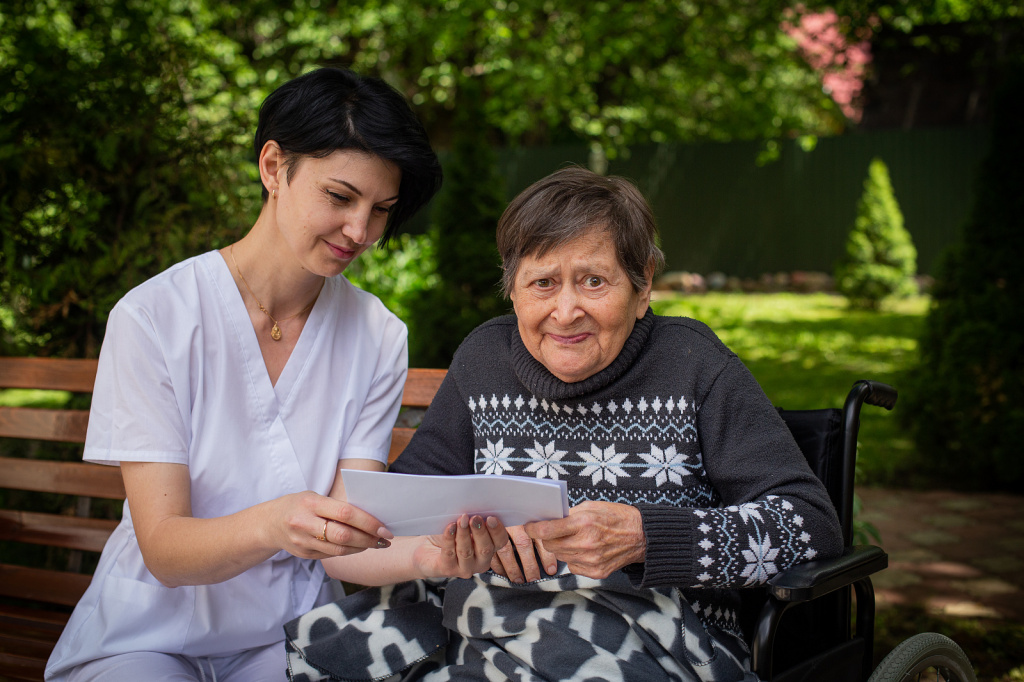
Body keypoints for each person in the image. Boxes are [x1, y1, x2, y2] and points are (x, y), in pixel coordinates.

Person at [286, 166, 844, 682]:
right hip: (484, 613)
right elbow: (403, 509)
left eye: (594, 281)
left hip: (656, 633)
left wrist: (647, 538)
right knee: (321, 650)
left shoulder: (694, 365)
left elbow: (812, 526)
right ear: (512, 289)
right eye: (543, 283)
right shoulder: (485, 358)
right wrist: (459, 542)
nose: (566, 310)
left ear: (642, 283)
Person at [45, 67, 472, 682]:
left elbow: (347, 551)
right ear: (274, 167)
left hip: (290, 636)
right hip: (149, 633)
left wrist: (439, 555)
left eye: (381, 210)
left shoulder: (379, 335)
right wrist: (276, 521)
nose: (361, 232)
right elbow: (164, 548)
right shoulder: (153, 317)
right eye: (340, 197)